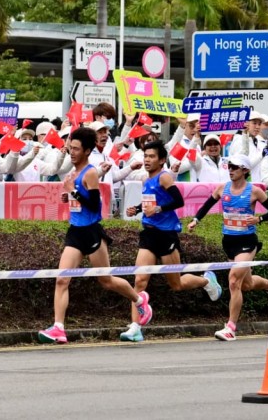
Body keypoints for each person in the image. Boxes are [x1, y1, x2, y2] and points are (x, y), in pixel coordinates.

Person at [37, 127, 152, 344]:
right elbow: (80, 200)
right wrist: (69, 197)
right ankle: (59, 328)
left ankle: (139, 301)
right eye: (70, 148)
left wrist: (73, 192)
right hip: (75, 232)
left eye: (76, 149)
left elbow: (95, 205)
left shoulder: (90, 172)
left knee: (106, 281)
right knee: (62, 279)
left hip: (91, 232)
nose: (71, 153)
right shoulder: (73, 173)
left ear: (87, 151)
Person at [119, 140, 221, 342]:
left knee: (176, 284)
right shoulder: (146, 179)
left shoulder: (164, 177)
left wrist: (157, 210)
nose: (147, 160)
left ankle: (206, 281)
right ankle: (135, 327)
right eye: (145, 156)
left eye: (151, 157)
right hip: (148, 233)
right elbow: (153, 201)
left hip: (167, 235)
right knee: (139, 281)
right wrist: (138, 209)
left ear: (162, 160)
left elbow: (178, 201)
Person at [188, 153, 268, 341]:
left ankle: (230, 327)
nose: (231, 170)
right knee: (247, 284)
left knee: (233, 281)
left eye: (235, 168)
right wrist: (196, 220)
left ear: (244, 170)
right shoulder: (223, 188)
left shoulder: (254, 191)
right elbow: (207, 204)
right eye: (229, 167)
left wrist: (259, 219)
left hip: (247, 242)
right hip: (229, 241)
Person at [230, 111, 268, 182]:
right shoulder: (239, 139)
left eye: (259, 124)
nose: (257, 127)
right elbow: (241, 165)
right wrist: (261, 155)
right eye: (254, 123)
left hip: (257, 185)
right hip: (244, 186)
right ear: (246, 123)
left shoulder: (256, 141)